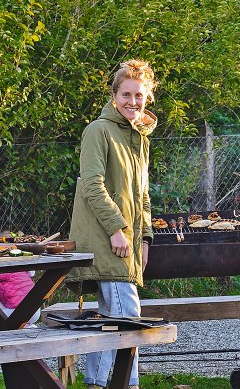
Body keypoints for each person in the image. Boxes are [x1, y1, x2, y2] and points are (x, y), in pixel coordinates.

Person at [65, 59, 158, 389]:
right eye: (126, 95)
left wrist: (145, 239)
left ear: (147, 98)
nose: (133, 102)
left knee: (112, 318)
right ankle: (122, 384)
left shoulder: (140, 139)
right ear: (114, 95)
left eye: (139, 96)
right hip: (107, 238)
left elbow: (142, 194)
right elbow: (92, 185)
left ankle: (99, 383)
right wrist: (117, 230)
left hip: (128, 242)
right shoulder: (98, 130)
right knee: (126, 316)